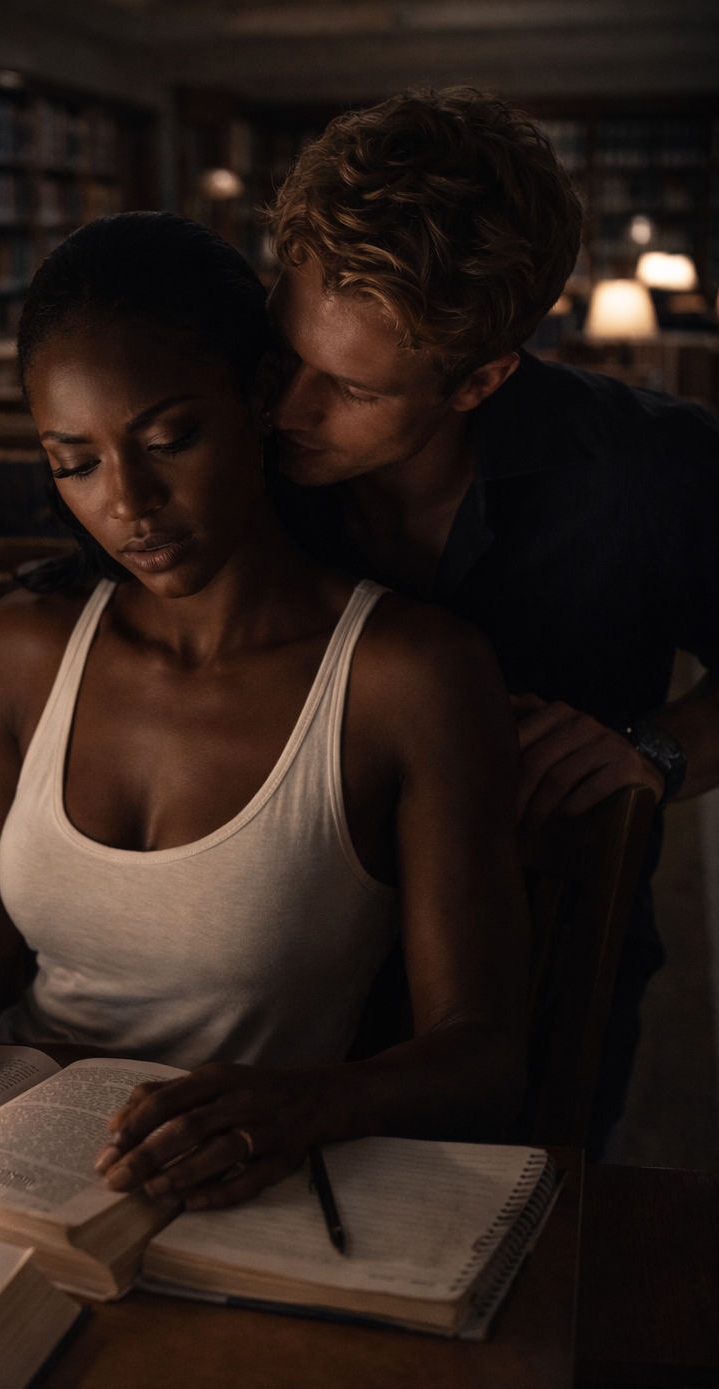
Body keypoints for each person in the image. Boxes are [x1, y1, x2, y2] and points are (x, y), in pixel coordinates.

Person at [0, 212, 528, 1209]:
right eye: (74, 462)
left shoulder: (405, 675)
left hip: (235, 1193)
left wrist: (307, 1105)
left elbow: (485, 1054)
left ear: (259, 401)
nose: (129, 502)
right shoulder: (29, 645)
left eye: (169, 439)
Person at [265, 87, 719, 1158]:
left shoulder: (648, 469)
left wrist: (652, 751)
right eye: (284, 352)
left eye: (348, 388)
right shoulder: (245, 440)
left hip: (545, 956)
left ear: (481, 380)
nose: (286, 409)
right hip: (269, 960)